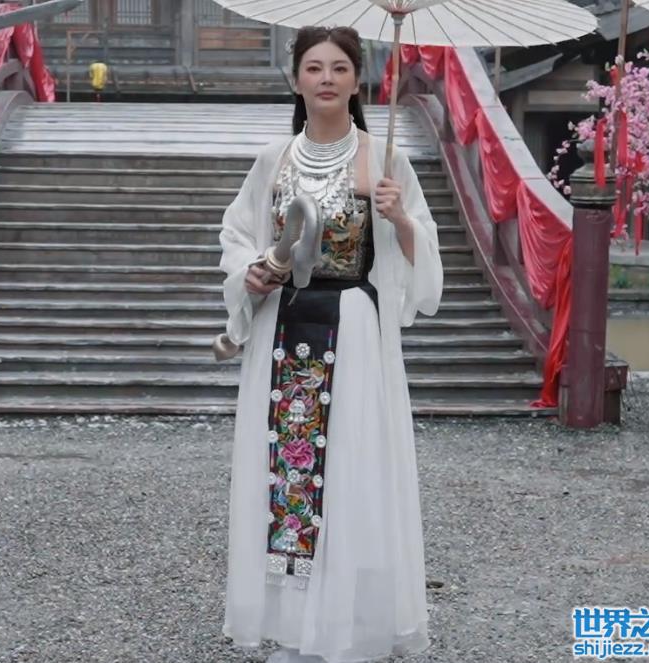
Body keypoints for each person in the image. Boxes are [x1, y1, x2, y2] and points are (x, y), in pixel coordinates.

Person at [219, 25, 443, 663]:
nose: (325, 78)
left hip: (353, 326)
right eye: (313, 67)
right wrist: (252, 272)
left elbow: (425, 263)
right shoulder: (274, 159)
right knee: (287, 471)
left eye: (339, 67)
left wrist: (399, 217)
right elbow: (238, 236)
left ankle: (347, 624)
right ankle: (295, 628)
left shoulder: (385, 158)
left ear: (356, 80)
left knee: (349, 468)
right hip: (284, 325)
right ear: (296, 79)